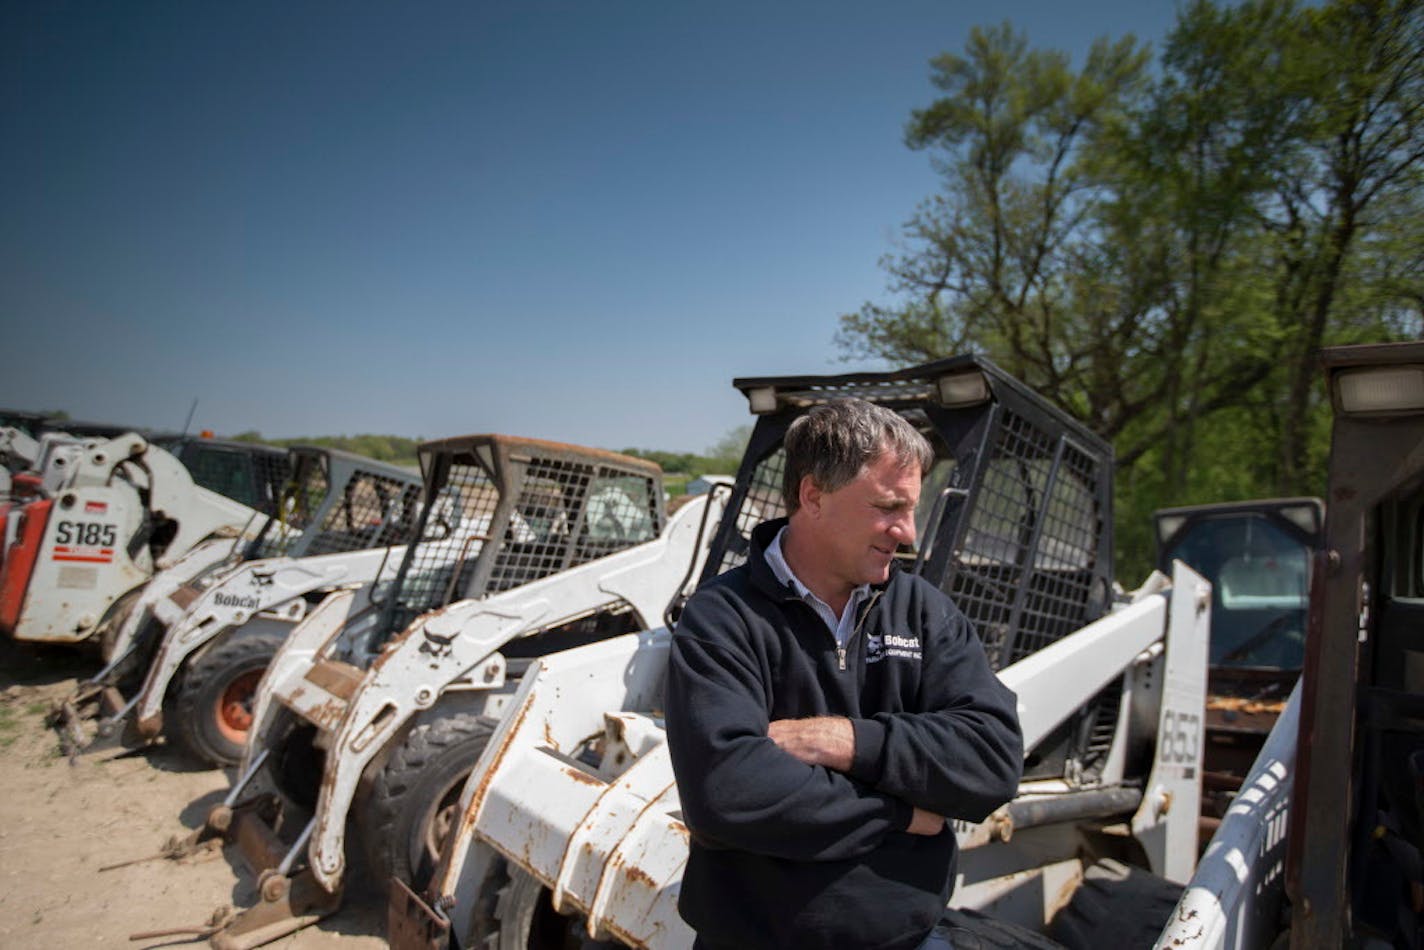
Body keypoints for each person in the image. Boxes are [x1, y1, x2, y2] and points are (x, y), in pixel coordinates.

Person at [665, 398, 1024, 950]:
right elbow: (727, 793)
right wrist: (906, 811)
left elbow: (993, 759)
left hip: (906, 938)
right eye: (888, 506)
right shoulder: (723, 615)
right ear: (814, 496)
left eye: (911, 509)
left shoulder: (924, 612)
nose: (906, 532)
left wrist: (846, 739)